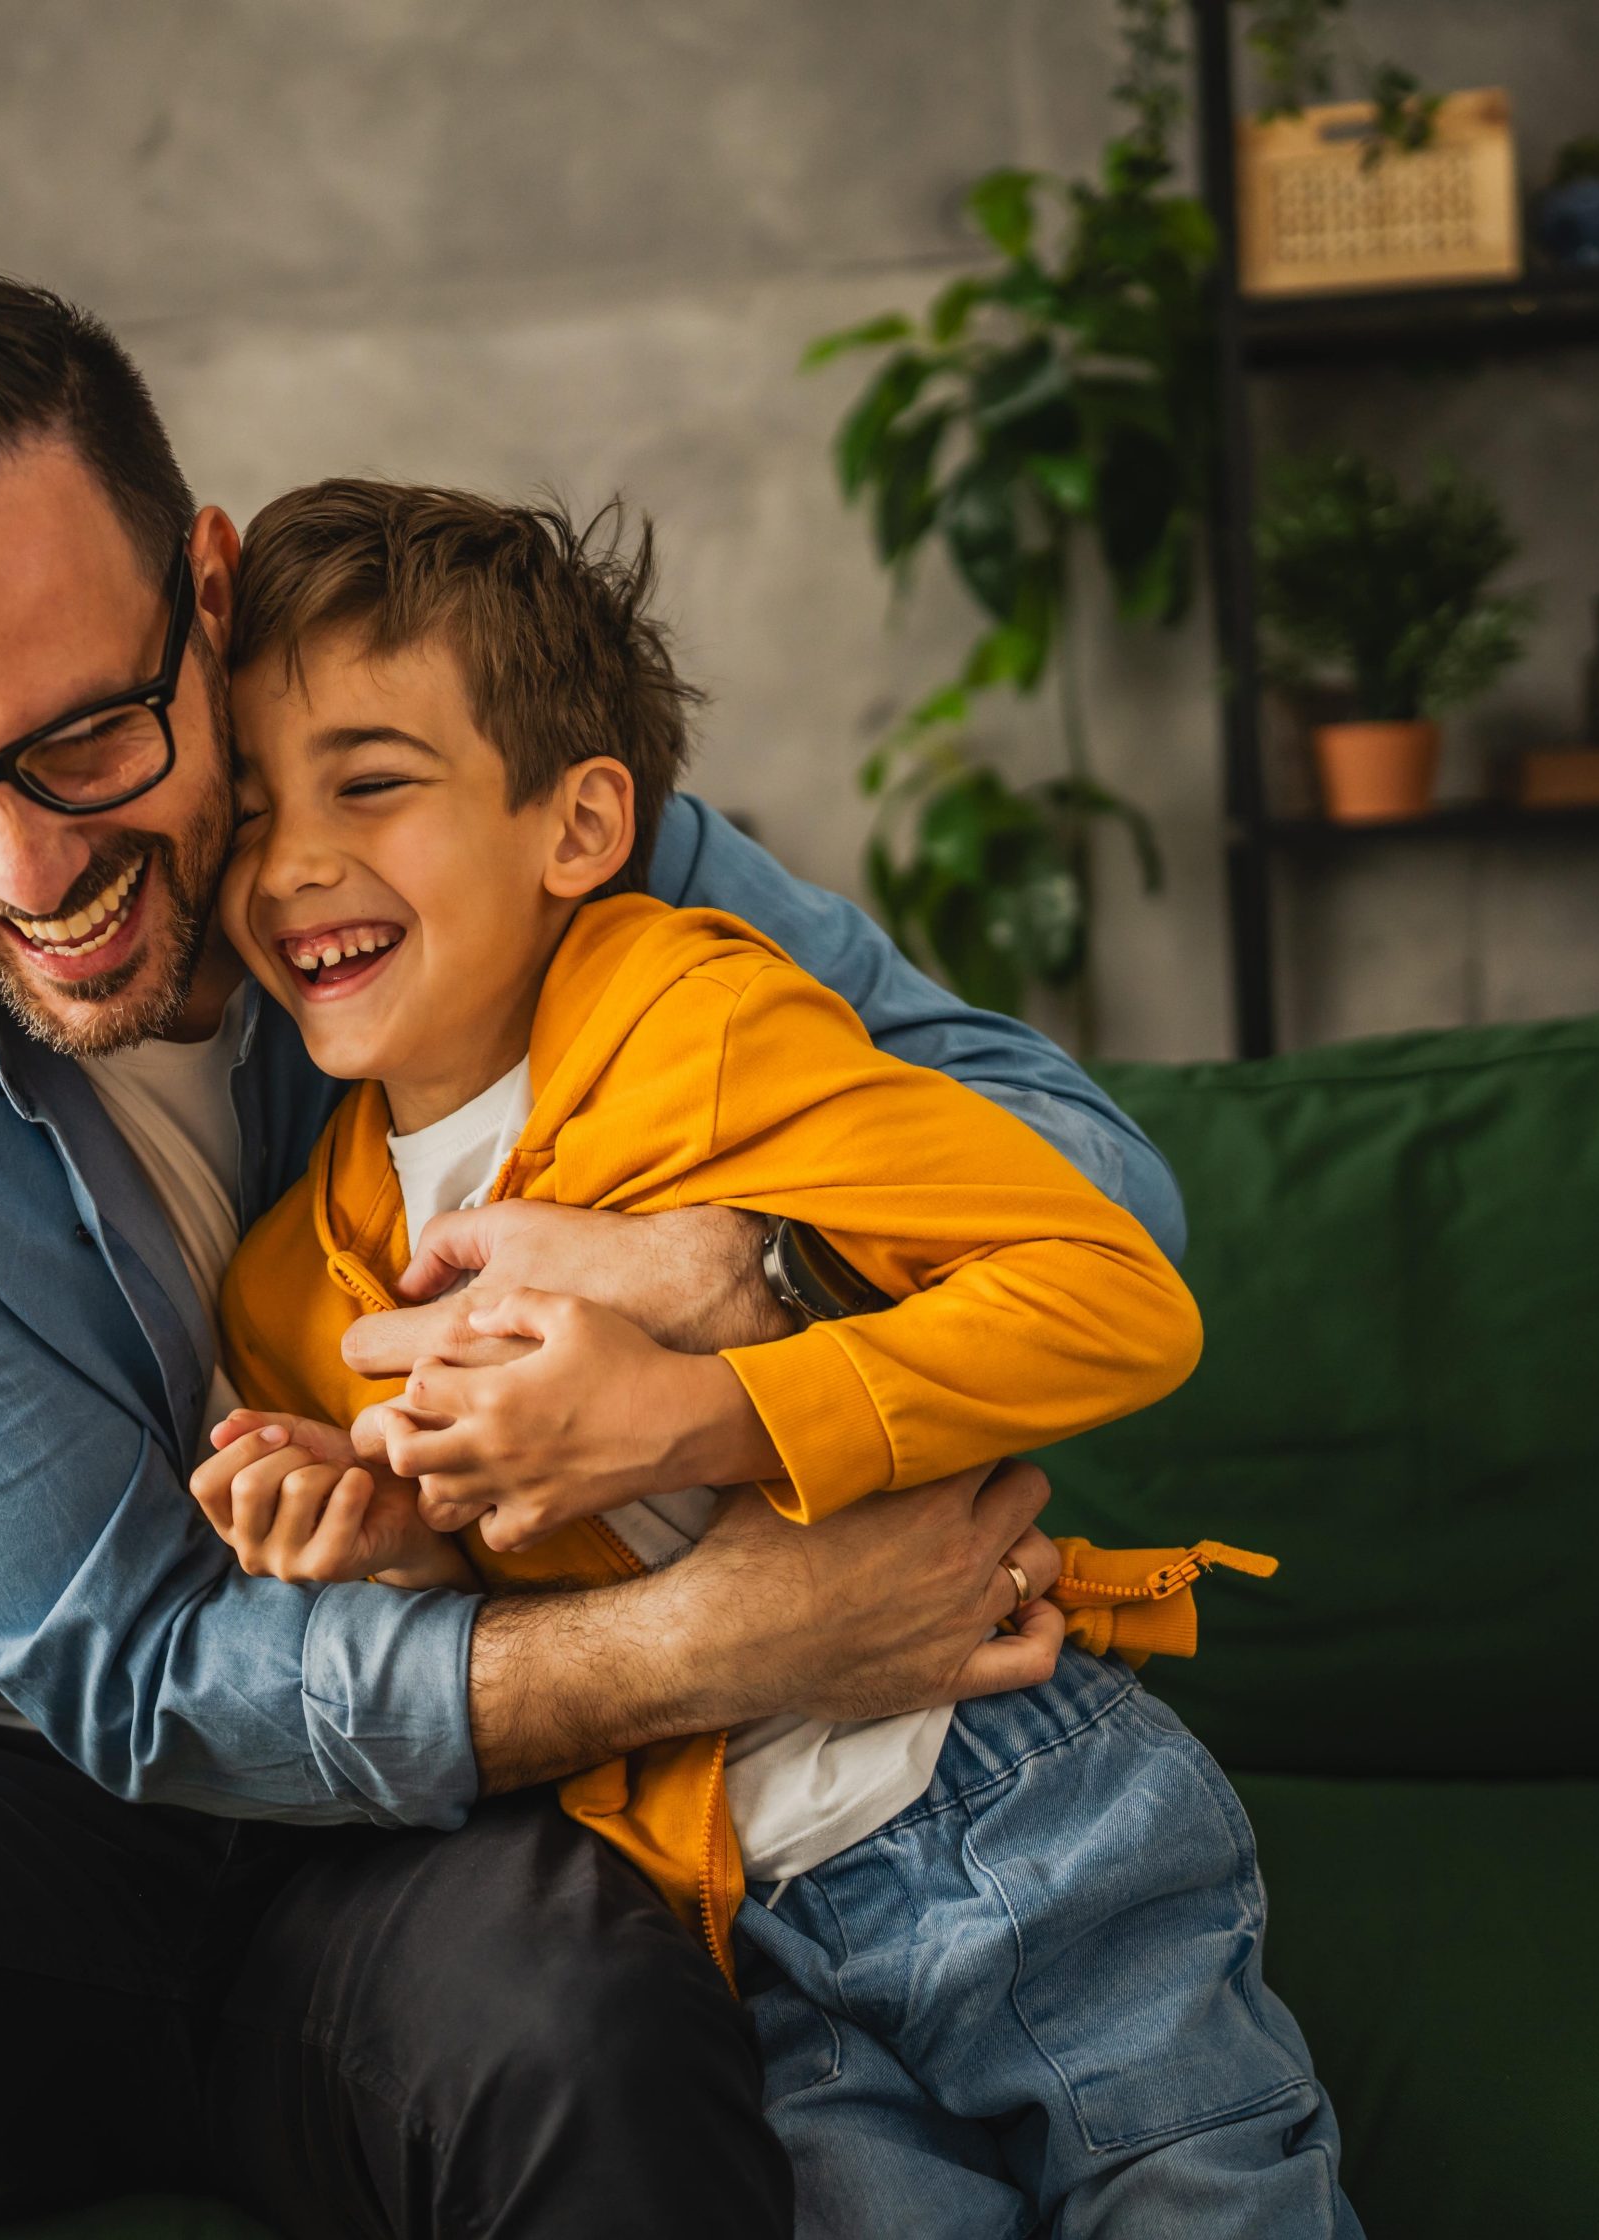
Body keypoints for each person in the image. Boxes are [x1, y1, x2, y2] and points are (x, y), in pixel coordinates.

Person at [0, 270, 1193, 2239]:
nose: (29, 874)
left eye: (83, 740)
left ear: (205, 589)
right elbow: (128, 1673)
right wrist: (716, 1638)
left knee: (602, 2033)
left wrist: (728, 1281)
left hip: (450, 1851)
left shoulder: (466, 808)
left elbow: (1089, 1187)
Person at [186, 478, 1356, 2236]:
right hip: (726, 1912)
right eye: (251, 809)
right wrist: (372, 1530)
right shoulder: (294, 1278)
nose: (290, 862)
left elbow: (1111, 1287)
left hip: (998, 1793)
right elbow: (520, 1602)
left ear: (581, 824)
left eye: (370, 782)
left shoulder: (697, 1019)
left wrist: (704, 1406)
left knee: (1201, 2204)